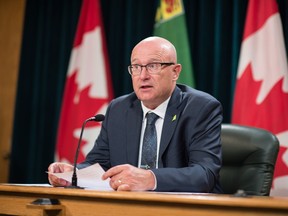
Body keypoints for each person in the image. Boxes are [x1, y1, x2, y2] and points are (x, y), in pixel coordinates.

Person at [48, 36, 223, 193]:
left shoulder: (201, 108)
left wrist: (150, 178)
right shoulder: (119, 109)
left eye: (153, 66)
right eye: (137, 67)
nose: (143, 76)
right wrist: (73, 173)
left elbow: (204, 174)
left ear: (175, 72)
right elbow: (99, 164)